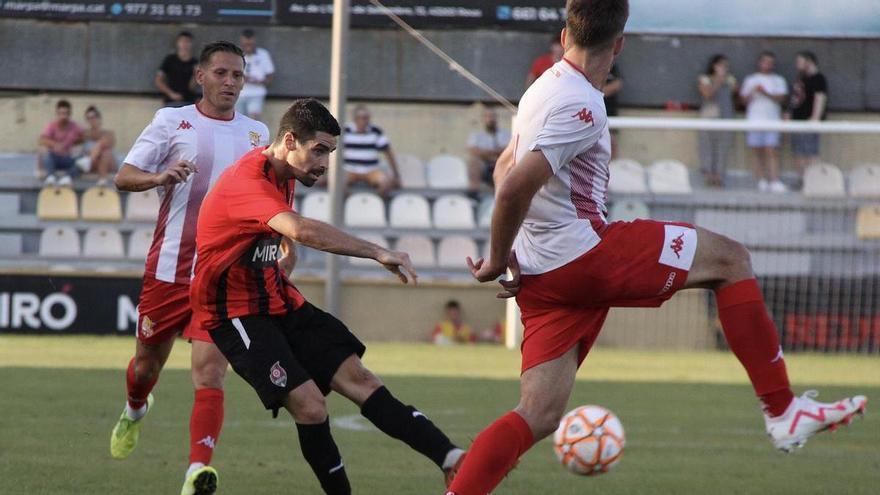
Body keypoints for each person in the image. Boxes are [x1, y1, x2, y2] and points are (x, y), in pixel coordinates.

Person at [446, 2, 867, 494]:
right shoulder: (581, 104)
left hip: (544, 274)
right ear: (621, 43)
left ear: (565, 36)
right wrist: (497, 259)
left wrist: (517, 248)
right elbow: (513, 188)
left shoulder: (542, 87)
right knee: (731, 260)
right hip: (585, 256)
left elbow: (504, 170)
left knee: (537, 414)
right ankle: (782, 410)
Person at [190, 98, 464, 494]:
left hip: (278, 297)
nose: (324, 162)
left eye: (330, 153)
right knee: (310, 404)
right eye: (318, 150)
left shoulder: (284, 171)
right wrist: (376, 251)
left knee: (361, 379)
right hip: (234, 312)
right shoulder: (245, 181)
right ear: (289, 140)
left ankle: (452, 459)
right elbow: (299, 226)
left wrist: (287, 247)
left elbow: (283, 226)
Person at [109, 41, 271, 495]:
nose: (230, 83)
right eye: (221, 73)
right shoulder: (170, 121)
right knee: (145, 366)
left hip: (222, 277)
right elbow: (124, 176)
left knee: (211, 372)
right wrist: (158, 178)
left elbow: (264, 202)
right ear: (200, 76)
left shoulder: (258, 135)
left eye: (237, 75)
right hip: (168, 271)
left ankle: (196, 471)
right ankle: (136, 409)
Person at [740, 52, 788, 193]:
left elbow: (781, 98)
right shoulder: (751, 79)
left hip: (772, 120)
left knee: (771, 150)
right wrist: (753, 91)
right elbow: (742, 101)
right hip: (754, 119)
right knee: (757, 151)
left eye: (770, 62)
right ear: (759, 63)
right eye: (764, 61)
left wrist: (765, 92)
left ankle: (774, 180)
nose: (767, 65)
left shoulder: (778, 80)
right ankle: (761, 180)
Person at [334, 104, 401, 196]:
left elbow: (388, 152)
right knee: (337, 184)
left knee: (385, 184)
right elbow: (332, 150)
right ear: (355, 118)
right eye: (361, 118)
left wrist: (396, 175)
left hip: (371, 170)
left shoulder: (376, 130)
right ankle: (351, 204)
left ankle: (374, 204)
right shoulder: (345, 130)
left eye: (366, 118)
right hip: (349, 169)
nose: (364, 121)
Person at [697, 54, 738, 187]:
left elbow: (736, 94)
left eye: (725, 66)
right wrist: (718, 80)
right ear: (714, 66)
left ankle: (719, 176)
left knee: (723, 146)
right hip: (709, 117)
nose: (724, 68)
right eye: (721, 65)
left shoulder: (730, 80)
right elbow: (708, 94)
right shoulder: (705, 79)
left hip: (726, 117)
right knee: (707, 146)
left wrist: (730, 83)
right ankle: (708, 175)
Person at [789, 51, 828, 172]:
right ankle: (802, 179)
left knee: (810, 152)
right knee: (798, 151)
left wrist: (815, 118)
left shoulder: (818, 78)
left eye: (800, 62)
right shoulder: (801, 78)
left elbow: (820, 98)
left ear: (809, 62)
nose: (797, 65)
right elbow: (795, 98)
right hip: (796, 121)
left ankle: (813, 179)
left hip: (808, 120)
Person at [38, 99, 83, 186]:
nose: (63, 116)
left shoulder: (74, 126)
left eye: (66, 113)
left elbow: (85, 136)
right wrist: (55, 144)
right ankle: (50, 177)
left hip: (67, 159)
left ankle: (67, 177)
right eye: (61, 113)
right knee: (46, 153)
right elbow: (41, 140)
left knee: (83, 160)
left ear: (69, 114)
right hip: (54, 158)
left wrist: (76, 141)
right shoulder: (52, 126)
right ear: (57, 114)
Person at [466, 108, 511, 196]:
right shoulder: (476, 136)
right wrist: (495, 152)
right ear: (483, 119)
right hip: (484, 166)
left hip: (500, 164)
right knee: (473, 162)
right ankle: (473, 192)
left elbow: (508, 150)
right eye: (488, 116)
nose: (490, 119)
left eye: (493, 116)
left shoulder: (506, 134)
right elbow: (474, 151)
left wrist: (484, 152)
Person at [236, 29, 275, 121]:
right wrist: (242, 77)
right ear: (241, 42)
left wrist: (262, 81)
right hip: (238, 93)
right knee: (237, 120)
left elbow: (270, 75)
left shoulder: (263, 54)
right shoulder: (236, 54)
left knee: (253, 120)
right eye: (245, 44)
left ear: (254, 42)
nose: (248, 47)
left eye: (250, 44)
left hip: (257, 93)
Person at [156, 31, 199, 107]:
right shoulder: (170, 60)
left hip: (188, 102)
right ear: (177, 43)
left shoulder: (195, 63)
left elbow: (192, 87)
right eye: (182, 41)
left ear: (192, 44)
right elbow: (158, 80)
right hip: (170, 102)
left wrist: (195, 74)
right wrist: (171, 94)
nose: (185, 45)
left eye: (187, 42)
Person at [77, 106, 117, 185]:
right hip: (92, 164)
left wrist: (98, 145)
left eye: (93, 117)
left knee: (106, 151)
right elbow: (73, 142)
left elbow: (109, 142)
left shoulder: (108, 133)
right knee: (103, 150)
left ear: (99, 118)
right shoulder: (84, 134)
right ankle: (102, 179)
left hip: (107, 163)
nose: (91, 120)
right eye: (88, 118)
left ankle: (102, 179)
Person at [603, 63, 622, 158]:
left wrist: (598, 92)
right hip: (591, 110)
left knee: (611, 141)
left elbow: (617, 85)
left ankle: (611, 167)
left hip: (609, 109)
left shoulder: (612, 66)